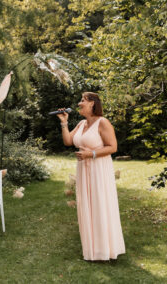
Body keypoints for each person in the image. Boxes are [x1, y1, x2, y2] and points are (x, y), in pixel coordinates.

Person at [57, 92, 125, 261]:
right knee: (86, 206)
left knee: (100, 205)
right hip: (83, 170)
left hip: (98, 170)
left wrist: (91, 154)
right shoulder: (81, 124)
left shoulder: (103, 122)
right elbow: (67, 141)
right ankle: (92, 250)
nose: (79, 103)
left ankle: (105, 250)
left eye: (83, 101)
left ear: (93, 104)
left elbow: (113, 147)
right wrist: (64, 123)